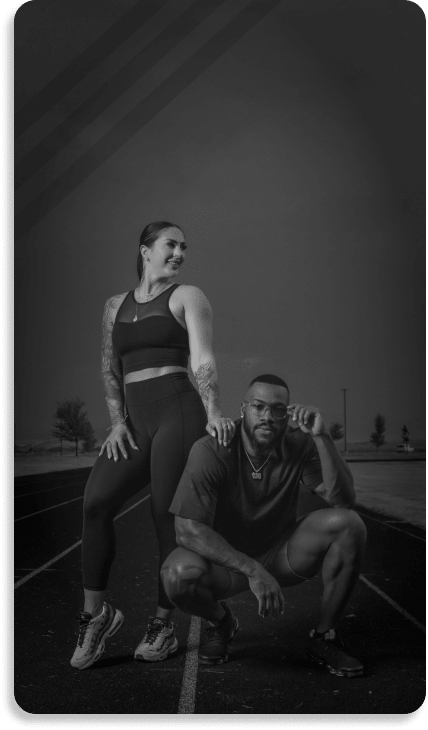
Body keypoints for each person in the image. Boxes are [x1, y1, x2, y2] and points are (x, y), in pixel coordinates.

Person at [70, 221, 235, 669]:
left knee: (165, 519)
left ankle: (162, 626)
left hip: (178, 412)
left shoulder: (188, 297)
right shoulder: (113, 306)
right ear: (145, 251)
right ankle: (95, 615)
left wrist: (215, 411)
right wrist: (116, 423)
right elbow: (109, 367)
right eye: (170, 244)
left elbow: (202, 357)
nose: (179, 252)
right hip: (134, 422)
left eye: (184, 247)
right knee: (96, 503)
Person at [162, 374, 367, 677]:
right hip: (226, 563)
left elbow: (342, 500)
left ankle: (324, 638)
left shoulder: (299, 443)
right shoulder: (211, 449)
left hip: (280, 554)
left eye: (278, 409)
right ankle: (222, 623)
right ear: (243, 409)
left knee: (349, 525)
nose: (267, 416)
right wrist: (252, 570)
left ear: (288, 414)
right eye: (259, 407)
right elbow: (187, 529)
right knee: (176, 576)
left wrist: (322, 438)